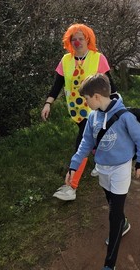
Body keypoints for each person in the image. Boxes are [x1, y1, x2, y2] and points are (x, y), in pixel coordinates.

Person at [65, 74, 140, 270]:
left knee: (114, 214)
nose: (85, 103)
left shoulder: (125, 117)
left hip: (121, 169)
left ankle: (109, 264)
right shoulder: (92, 116)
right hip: (102, 168)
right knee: (110, 201)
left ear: (96, 96)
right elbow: (86, 143)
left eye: (86, 99)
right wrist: (73, 165)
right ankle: (123, 223)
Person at [41, 23, 113, 201]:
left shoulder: (98, 58)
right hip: (75, 111)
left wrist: (115, 108)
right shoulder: (66, 60)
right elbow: (57, 84)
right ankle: (102, 162)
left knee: (82, 144)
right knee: (94, 137)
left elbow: (110, 85)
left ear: (88, 40)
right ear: (69, 41)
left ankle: (71, 187)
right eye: (74, 39)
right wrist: (48, 103)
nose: (78, 42)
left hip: (94, 110)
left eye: (81, 38)